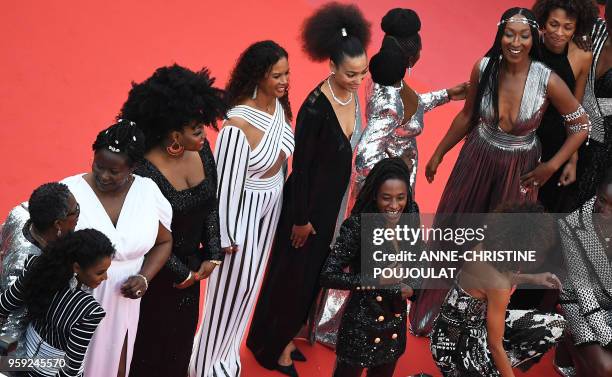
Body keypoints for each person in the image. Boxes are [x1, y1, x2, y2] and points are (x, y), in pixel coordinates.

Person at [414, 7, 591, 336]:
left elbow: (580, 124)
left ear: (532, 38)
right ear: (499, 34)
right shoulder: (484, 68)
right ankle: (435, 307)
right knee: (456, 226)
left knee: (501, 243)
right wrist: (438, 152)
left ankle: (481, 321)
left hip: (520, 166)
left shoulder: (546, 78)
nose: (516, 41)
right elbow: (467, 116)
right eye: (509, 34)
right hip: (478, 156)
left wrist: (552, 166)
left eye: (524, 35)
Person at [245, 4, 370, 376]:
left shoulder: (353, 98)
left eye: (363, 72)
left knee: (307, 280)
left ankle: (277, 337)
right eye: (350, 73)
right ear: (331, 67)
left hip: (329, 208)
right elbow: (299, 171)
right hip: (305, 212)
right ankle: (271, 348)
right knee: (290, 281)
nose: (358, 79)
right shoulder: (315, 108)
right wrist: (300, 220)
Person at [189, 40, 294, 377]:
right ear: (258, 76)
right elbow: (227, 188)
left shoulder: (278, 108)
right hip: (241, 217)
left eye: (287, 73)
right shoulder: (237, 125)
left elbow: (281, 165)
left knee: (248, 291)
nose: (284, 81)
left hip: (269, 209)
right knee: (227, 295)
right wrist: (225, 236)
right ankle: (204, 365)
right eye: (276, 75)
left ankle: (227, 357)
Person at [120, 64, 227, 377]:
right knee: (149, 349)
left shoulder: (203, 151)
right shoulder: (143, 172)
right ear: (173, 133)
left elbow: (211, 202)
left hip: (191, 273)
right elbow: (150, 235)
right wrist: (186, 275)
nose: (204, 134)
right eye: (196, 129)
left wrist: (213, 254)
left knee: (179, 347)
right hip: (153, 279)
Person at [62, 120, 173, 377]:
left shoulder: (148, 193)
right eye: (99, 166)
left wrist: (144, 277)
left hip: (123, 303)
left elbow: (164, 241)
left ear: (133, 167)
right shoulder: (69, 192)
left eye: (114, 171)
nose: (103, 176)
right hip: (75, 302)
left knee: (116, 366)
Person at [430, 202, 567, 377]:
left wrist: (533, 278)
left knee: (556, 325)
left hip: (458, 327)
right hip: (454, 347)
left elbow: (491, 279)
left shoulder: (484, 247)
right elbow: (495, 345)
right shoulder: (499, 285)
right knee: (498, 360)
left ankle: (489, 369)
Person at [320, 158, 419, 377]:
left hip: (394, 325)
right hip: (361, 326)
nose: (394, 206)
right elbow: (328, 275)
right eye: (387, 198)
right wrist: (375, 279)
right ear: (375, 195)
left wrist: (413, 288)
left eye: (400, 198)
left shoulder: (411, 214)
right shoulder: (358, 226)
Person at [354, 8, 468, 197]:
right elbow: (363, 159)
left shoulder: (387, 77)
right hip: (387, 197)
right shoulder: (389, 104)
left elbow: (410, 108)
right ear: (411, 59)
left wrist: (448, 94)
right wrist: (399, 167)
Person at [0, 229, 113, 377]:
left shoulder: (36, 267)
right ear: (77, 267)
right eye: (100, 272)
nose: (106, 277)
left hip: (17, 363)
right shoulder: (89, 311)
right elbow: (71, 369)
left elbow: (5, 304)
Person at [532, 0, 598, 212]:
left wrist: (572, 159)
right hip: (522, 138)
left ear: (577, 28)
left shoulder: (583, 56)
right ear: (543, 20)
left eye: (568, 27)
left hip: (555, 144)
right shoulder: (527, 44)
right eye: (554, 24)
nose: (559, 32)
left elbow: (575, 111)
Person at [0, 182, 79, 356]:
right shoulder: (29, 269)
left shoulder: (20, 213)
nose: (79, 215)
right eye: (76, 211)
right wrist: (18, 369)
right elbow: (11, 324)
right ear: (58, 224)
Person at [558, 166, 612, 377]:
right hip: (580, 305)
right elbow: (584, 293)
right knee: (607, 368)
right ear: (596, 193)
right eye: (602, 201)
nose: (605, 212)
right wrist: (607, 337)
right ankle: (569, 340)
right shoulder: (573, 225)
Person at [574, 1, 612, 211]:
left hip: (605, 143)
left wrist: (585, 106)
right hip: (568, 125)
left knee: (585, 197)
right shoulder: (592, 28)